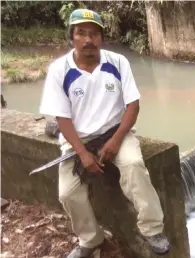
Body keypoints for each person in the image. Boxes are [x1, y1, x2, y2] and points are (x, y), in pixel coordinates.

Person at [38, 8, 170, 258]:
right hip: (78, 139)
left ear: (101, 38)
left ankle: (152, 229)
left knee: (133, 165)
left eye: (94, 34)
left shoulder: (118, 63)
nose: (88, 40)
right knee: (67, 192)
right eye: (81, 33)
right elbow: (62, 118)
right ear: (72, 37)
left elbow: (133, 106)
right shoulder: (59, 70)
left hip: (116, 131)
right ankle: (90, 239)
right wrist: (83, 154)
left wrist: (116, 140)